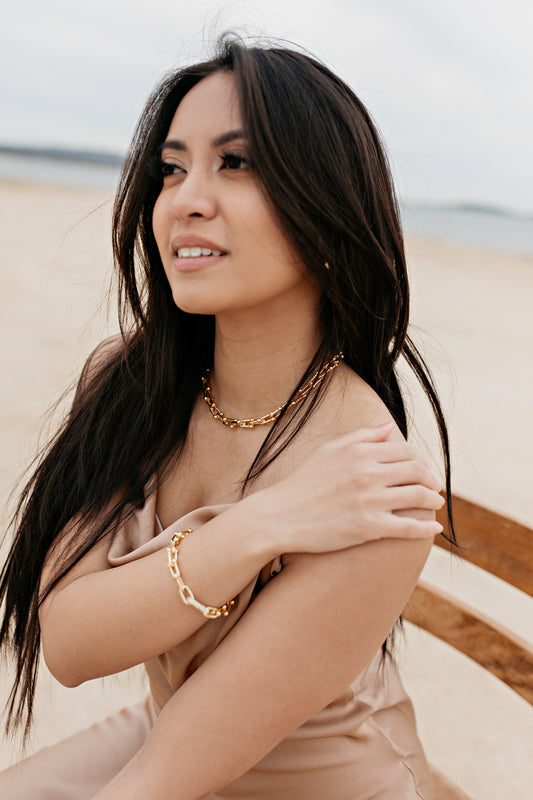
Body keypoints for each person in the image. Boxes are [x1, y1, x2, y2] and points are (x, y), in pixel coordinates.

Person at [0, 36, 455, 799]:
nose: (185, 199)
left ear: (327, 209)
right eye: (172, 168)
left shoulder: (372, 481)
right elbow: (72, 645)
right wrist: (260, 525)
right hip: (169, 730)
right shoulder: (127, 383)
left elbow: (158, 780)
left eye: (235, 163)